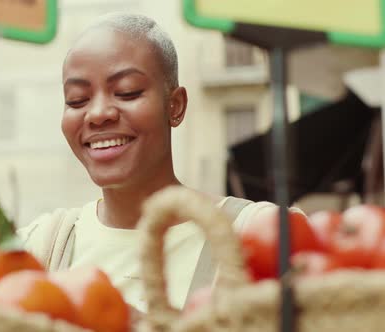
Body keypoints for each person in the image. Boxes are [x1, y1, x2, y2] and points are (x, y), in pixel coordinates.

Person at [17, 13, 287, 312]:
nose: (98, 113)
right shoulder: (39, 247)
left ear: (175, 105)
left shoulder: (260, 235)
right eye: (77, 100)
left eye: (127, 92)